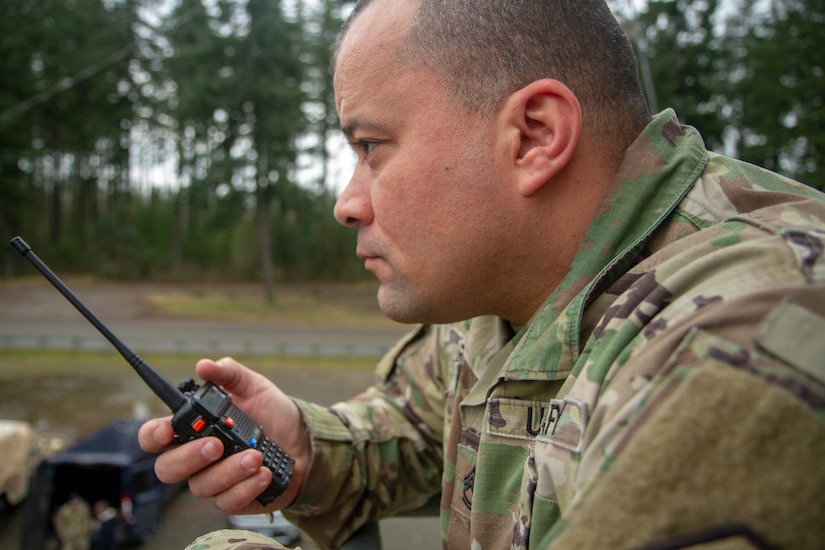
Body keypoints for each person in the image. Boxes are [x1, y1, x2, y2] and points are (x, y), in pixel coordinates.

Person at [139, 0, 825, 548]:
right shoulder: (516, 292)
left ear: (533, 136)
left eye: (371, 146)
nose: (346, 204)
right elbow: (413, 426)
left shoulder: (737, 337)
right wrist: (305, 447)